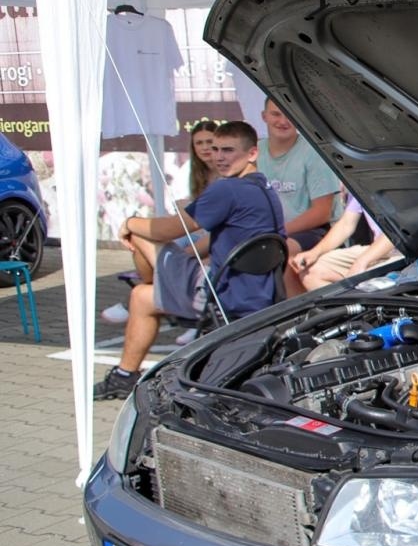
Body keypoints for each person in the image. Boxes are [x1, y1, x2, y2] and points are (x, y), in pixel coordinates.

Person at [93, 121, 286, 400]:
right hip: (259, 292)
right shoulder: (264, 187)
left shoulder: (227, 189)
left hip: (221, 296)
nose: (219, 156)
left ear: (252, 153)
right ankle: (125, 375)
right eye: (216, 149)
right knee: (142, 297)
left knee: (142, 237)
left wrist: (129, 222)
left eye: (229, 150)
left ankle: (155, 285)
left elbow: (167, 230)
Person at [100, 119, 222, 325]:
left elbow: (206, 222)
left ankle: (140, 299)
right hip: (196, 231)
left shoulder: (225, 176)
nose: (205, 148)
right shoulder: (194, 173)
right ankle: (154, 293)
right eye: (199, 143)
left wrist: (131, 223)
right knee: (146, 238)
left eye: (209, 142)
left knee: (162, 245)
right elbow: (187, 216)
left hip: (213, 235)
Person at [258, 99, 340, 253]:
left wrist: (275, 233)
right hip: (267, 233)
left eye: (289, 115)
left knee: (274, 252)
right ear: (264, 116)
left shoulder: (315, 152)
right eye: (276, 114)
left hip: (316, 231)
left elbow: (322, 212)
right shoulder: (254, 151)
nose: (283, 121)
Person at [285, 193, 396, 295]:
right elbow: (346, 224)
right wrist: (314, 252)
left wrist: (361, 262)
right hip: (375, 249)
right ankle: (347, 309)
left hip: (402, 252)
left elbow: (396, 231)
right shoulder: (359, 185)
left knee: (365, 280)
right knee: (310, 271)